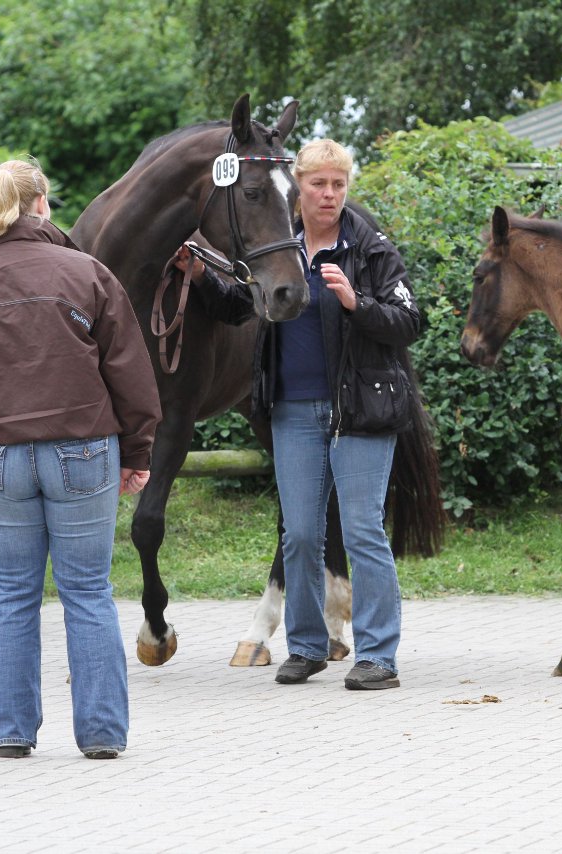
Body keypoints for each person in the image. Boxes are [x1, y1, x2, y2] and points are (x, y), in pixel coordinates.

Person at [0, 158, 161, 758]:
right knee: (87, 591)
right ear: (42, 204)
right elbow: (130, 375)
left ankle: (10, 734)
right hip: (82, 447)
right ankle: (101, 735)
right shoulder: (88, 274)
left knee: (13, 593)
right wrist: (139, 449)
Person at [181, 138, 422, 690]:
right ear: (300, 187)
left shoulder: (369, 248)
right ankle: (308, 646)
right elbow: (241, 307)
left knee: (362, 532)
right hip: (291, 409)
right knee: (300, 534)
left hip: (359, 408)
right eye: (319, 184)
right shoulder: (276, 246)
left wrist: (357, 303)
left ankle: (378, 656)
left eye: (339, 185)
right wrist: (201, 282)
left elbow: (409, 319)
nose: (330, 195)